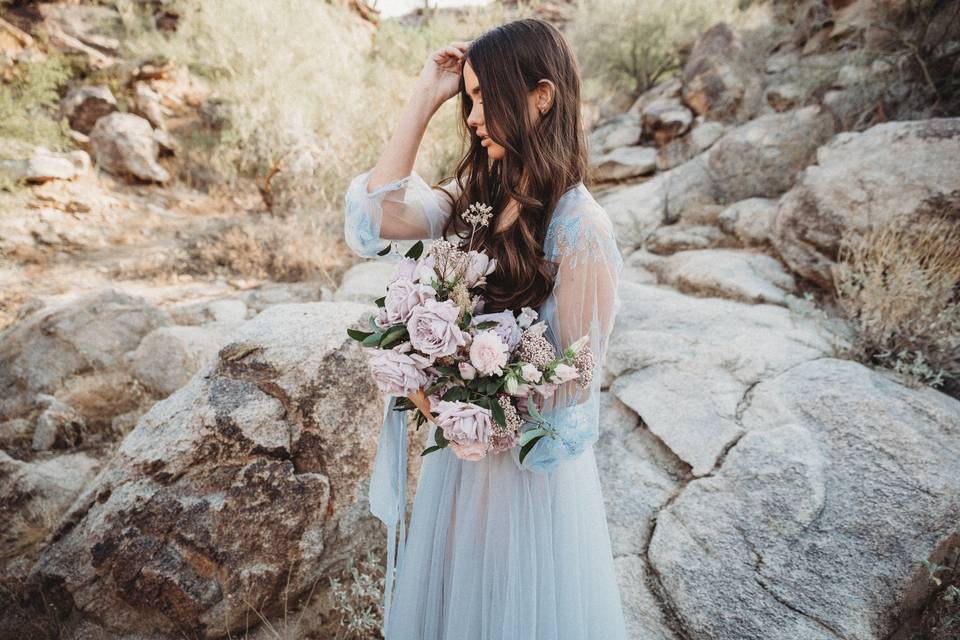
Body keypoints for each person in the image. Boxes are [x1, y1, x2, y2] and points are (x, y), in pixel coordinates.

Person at [343, 18, 627, 640]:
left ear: (541, 96)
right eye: (467, 98)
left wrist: (456, 395)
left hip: (528, 482)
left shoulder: (581, 229)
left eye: (483, 96)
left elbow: (571, 395)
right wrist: (424, 97)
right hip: (460, 466)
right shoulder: (475, 193)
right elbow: (374, 220)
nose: (472, 116)